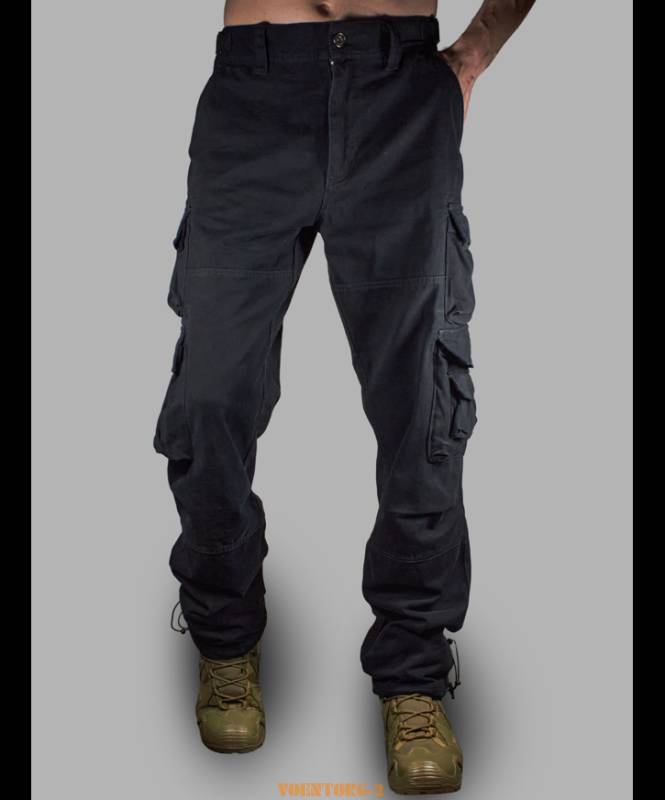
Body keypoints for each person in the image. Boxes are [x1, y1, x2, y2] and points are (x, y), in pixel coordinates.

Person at [155, 0, 536, 793]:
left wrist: (475, 51)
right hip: (255, 93)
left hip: (402, 93)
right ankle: (225, 636)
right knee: (209, 395)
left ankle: (412, 676)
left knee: (423, 406)